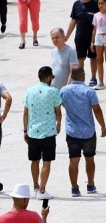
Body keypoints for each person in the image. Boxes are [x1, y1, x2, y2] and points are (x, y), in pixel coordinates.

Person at [59, 67, 106, 197]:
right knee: (89, 158)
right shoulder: (89, 91)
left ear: (72, 76)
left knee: (73, 160)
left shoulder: (64, 90)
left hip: (72, 131)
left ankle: (74, 188)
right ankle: (90, 185)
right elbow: (96, 110)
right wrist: (103, 126)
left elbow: (59, 105)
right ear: (83, 75)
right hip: (88, 131)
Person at [23, 66, 63, 200]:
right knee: (47, 162)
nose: (52, 79)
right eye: (51, 77)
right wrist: (58, 124)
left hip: (33, 132)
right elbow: (58, 111)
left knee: (34, 160)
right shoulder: (53, 91)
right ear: (47, 77)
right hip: (48, 133)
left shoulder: (29, 91)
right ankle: (42, 190)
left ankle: (35, 186)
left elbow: (25, 113)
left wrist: (25, 130)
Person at [66, 0, 100, 87]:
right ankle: (80, 79)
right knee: (80, 58)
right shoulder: (77, 4)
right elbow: (73, 21)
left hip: (93, 37)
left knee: (93, 57)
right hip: (80, 36)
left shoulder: (96, 3)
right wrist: (67, 36)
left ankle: (93, 77)